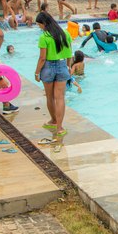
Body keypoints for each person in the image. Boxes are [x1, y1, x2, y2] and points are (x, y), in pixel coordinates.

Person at [34, 11, 72, 139]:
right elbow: (69, 54)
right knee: (60, 98)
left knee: (50, 97)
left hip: (48, 67)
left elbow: (42, 58)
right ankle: (60, 128)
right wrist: (69, 66)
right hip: (62, 66)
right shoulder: (65, 33)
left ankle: (53, 120)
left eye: (39, 25)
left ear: (44, 23)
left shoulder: (44, 37)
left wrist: (37, 72)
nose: (39, 27)